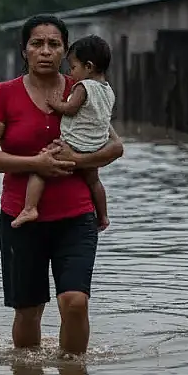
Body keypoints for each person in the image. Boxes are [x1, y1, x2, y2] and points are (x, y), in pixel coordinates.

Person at [0, 14, 124, 356]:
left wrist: (75, 160)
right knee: (28, 311)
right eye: (37, 43)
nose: (45, 51)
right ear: (24, 50)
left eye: (54, 44)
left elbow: (115, 147)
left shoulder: (82, 89)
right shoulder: (3, 94)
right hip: (20, 218)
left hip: (76, 216)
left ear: (65, 52)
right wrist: (35, 164)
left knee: (75, 302)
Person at [14, 35, 115, 231]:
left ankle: (30, 208)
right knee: (94, 181)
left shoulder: (83, 86)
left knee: (41, 165)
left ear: (88, 67)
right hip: (96, 144)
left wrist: (55, 103)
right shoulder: (107, 90)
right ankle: (103, 216)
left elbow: (70, 109)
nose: (71, 72)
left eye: (74, 67)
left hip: (74, 142)